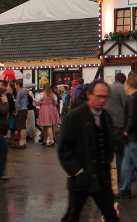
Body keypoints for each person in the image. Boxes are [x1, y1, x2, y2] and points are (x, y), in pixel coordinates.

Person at [58, 80, 118, 222]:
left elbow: (109, 143)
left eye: (105, 97)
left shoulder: (106, 117)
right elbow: (63, 148)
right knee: (73, 215)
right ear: (89, 95)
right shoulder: (74, 117)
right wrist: (77, 171)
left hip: (102, 177)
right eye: (99, 96)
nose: (102, 100)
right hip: (82, 177)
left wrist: (106, 160)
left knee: (111, 215)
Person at [104, 72, 128, 192]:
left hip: (108, 125)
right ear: (124, 80)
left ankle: (105, 177)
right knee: (120, 154)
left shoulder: (107, 88)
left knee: (108, 154)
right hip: (119, 125)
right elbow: (126, 106)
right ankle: (121, 177)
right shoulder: (122, 89)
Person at [36, 83, 60, 147]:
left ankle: (51, 141)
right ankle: (45, 140)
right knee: (48, 126)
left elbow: (37, 103)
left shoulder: (41, 94)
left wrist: (41, 103)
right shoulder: (53, 94)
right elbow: (56, 103)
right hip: (52, 109)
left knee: (47, 125)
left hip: (44, 109)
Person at [14, 81, 29, 149]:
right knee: (23, 126)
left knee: (22, 127)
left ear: (18, 85)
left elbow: (18, 104)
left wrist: (16, 112)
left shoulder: (19, 92)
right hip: (25, 109)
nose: (15, 87)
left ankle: (22, 143)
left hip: (21, 110)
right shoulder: (24, 92)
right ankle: (23, 142)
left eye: (15, 85)